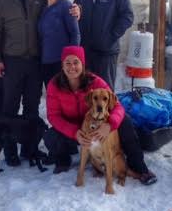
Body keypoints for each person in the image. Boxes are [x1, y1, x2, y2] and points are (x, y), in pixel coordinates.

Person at [44, 45, 156, 185]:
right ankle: (63, 160)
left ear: (82, 64)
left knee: (125, 122)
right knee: (50, 137)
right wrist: (75, 133)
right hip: (73, 128)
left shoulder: (95, 81)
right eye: (67, 63)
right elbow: (53, 116)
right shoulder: (54, 85)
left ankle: (139, 167)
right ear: (62, 65)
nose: (72, 67)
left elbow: (118, 106)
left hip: (96, 124)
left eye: (76, 62)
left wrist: (109, 125)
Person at [0, 0, 45, 166]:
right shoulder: (2, 3)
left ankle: (30, 149)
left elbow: (58, 8)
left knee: (32, 106)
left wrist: (75, 11)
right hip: (11, 62)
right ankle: (10, 150)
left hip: (34, 63)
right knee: (9, 108)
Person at [73, 0, 134, 89]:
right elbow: (75, 16)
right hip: (86, 51)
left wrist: (112, 35)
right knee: (86, 89)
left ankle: (106, 111)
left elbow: (128, 16)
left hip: (106, 52)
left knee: (104, 91)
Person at [38, 0, 80, 87]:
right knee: (52, 97)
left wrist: (70, 62)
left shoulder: (66, 6)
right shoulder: (42, 7)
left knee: (64, 98)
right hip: (45, 62)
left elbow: (75, 34)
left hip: (61, 63)